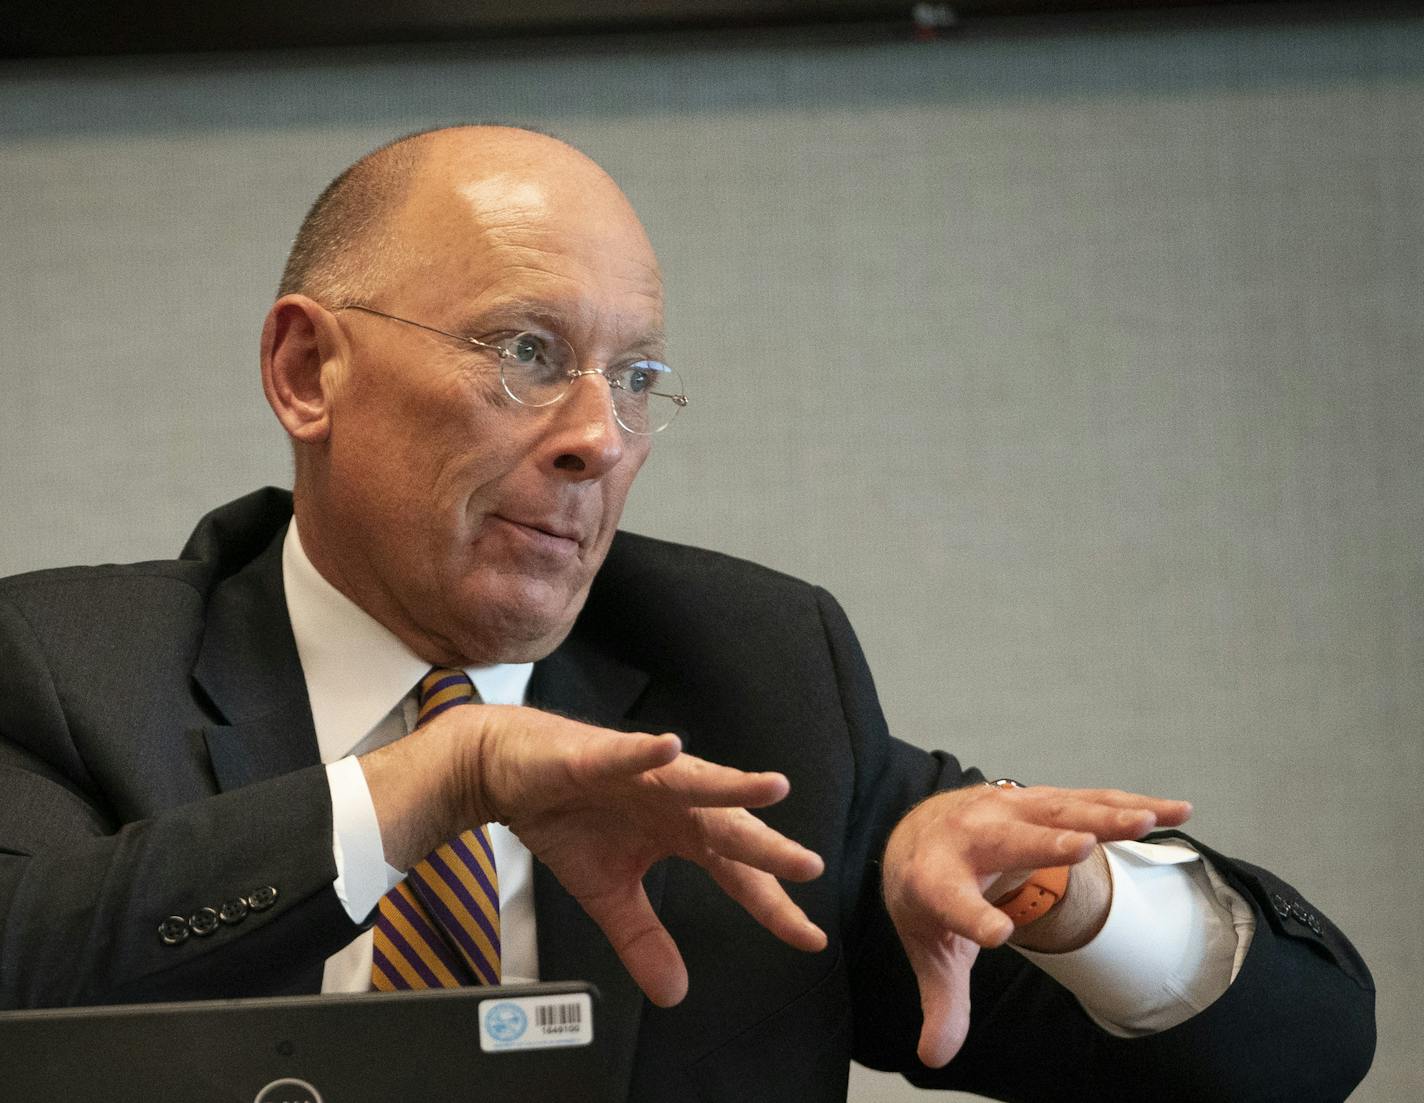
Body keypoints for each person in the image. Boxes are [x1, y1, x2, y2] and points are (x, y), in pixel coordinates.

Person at [0, 126, 1374, 1101]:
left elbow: (1297, 1058)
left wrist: (1073, 906)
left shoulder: (751, 682)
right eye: (526, 355)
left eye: (637, 377)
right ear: (309, 370)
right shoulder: (71, 673)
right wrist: (433, 785)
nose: (600, 436)